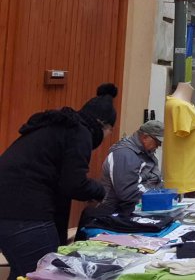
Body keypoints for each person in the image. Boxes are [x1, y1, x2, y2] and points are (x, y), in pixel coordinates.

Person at [0, 87, 117, 278]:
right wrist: (98, 191)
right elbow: (73, 184)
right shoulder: (79, 133)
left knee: (25, 271)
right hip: (25, 213)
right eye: (110, 131)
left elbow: (61, 185)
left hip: (11, 208)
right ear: (103, 125)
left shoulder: (58, 128)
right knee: (45, 272)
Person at [99, 120, 164, 216]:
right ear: (145, 137)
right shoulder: (124, 154)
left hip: (141, 207)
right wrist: (158, 197)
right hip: (116, 212)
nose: (159, 145)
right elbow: (128, 193)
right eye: (157, 141)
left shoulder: (145, 152)